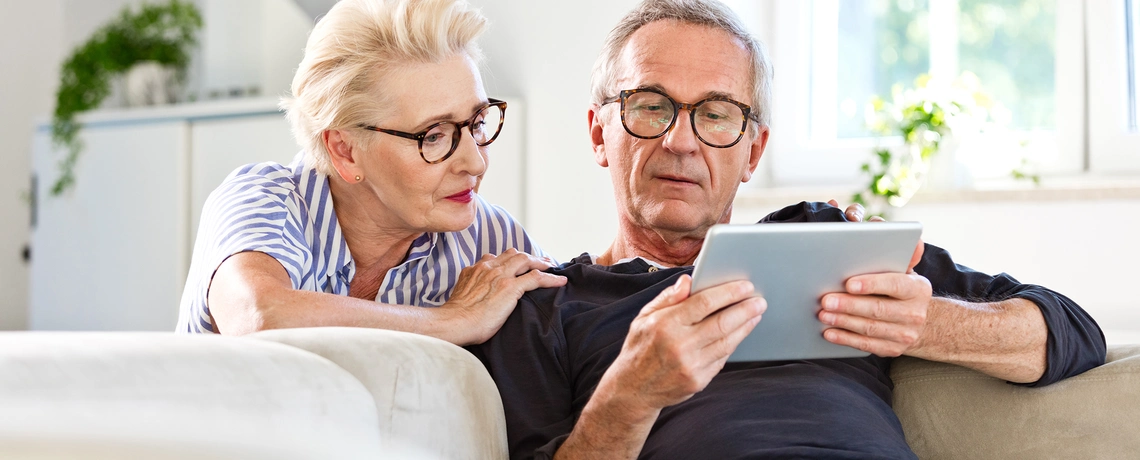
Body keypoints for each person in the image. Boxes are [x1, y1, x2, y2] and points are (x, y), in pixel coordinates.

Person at [467, 0, 1106, 458]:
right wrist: (628, 398)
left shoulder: (828, 241)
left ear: (753, 151)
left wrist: (927, 324)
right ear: (598, 133)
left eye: (717, 115)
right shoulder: (545, 306)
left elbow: (1074, 334)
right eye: (650, 107)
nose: (680, 141)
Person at [174, 0, 568, 345]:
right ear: (345, 151)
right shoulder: (263, 201)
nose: (476, 163)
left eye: (478, 122)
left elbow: (574, 315)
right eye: (433, 136)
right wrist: (454, 320)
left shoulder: (489, 237)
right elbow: (260, 317)